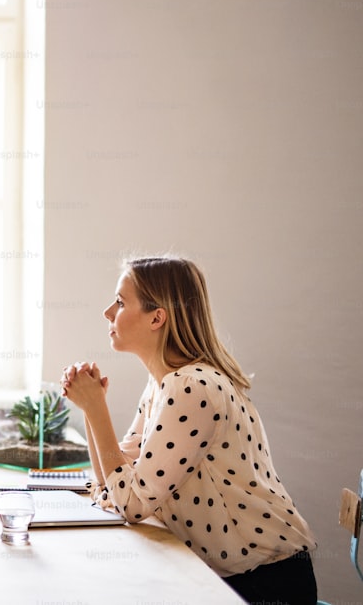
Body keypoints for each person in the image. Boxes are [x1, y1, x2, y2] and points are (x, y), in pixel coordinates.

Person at [60, 256, 317, 604]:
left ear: (157, 317)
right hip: (235, 575)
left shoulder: (190, 388)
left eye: (120, 302)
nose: (108, 312)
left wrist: (95, 408)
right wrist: (91, 411)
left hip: (266, 582)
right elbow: (115, 486)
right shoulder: (163, 384)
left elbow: (132, 503)